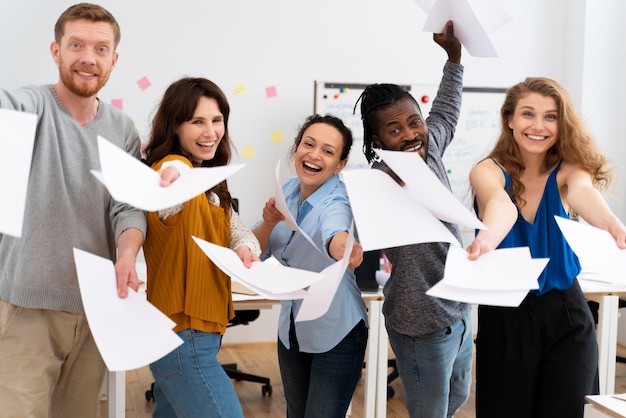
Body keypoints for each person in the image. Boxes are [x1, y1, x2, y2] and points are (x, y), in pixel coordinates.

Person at [0, 3, 147, 417]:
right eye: (76, 45)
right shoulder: (31, 106)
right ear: (56, 51)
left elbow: (128, 206)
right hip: (29, 307)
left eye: (101, 49)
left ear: (113, 60)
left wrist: (127, 252)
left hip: (96, 308)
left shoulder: (123, 128)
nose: (88, 57)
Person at [466, 77, 626, 417]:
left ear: (561, 122)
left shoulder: (569, 169)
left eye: (550, 116)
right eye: (528, 114)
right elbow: (500, 204)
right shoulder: (487, 170)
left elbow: (583, 193)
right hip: (507, 311)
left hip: (565, 310)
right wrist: (488, 238)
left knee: (569, 410)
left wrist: (612, 224)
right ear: (509, 119)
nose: (538, 126)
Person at [355, 21, 473, 417]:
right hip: (420, 324)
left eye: (413, 122)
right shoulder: (379, 183)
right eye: (394, 130)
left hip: (459, 312)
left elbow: (447, 109)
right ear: (377, 143)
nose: (409, 134)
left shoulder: (432, 149)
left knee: (456, 399)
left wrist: (454, 57)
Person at [142, 77, 261, 418]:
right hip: (183, 336)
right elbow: (171, 174)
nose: (210, 131)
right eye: (197, 121)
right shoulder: (167, 176)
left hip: (200, 334)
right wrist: (176, 169)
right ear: (175, 126)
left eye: (216, 120)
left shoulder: (212, 183)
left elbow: (237, 231)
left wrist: (245, 249)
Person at [252, 114, 368, 418]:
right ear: (297, 148)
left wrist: (345, 249)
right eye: (309, 144)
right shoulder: (288, 189)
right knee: (296, 413)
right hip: (291, 327)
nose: (315, 155)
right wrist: (268, 222)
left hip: (336, 330)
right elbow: (253, 249)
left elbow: (336, 231)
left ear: (340, 164)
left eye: (328, 151)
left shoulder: (337, 199)